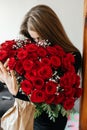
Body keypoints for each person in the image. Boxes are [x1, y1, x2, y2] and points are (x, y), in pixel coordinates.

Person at [0, 4, 81, 130]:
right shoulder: (33, 50)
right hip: (31, 115)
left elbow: (50, 98)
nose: (38, 43)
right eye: (34, 39)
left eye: (39, 38)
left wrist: (16, 91)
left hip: (50, 122)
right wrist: (6, 76)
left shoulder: (73, 56)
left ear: (51, 32)